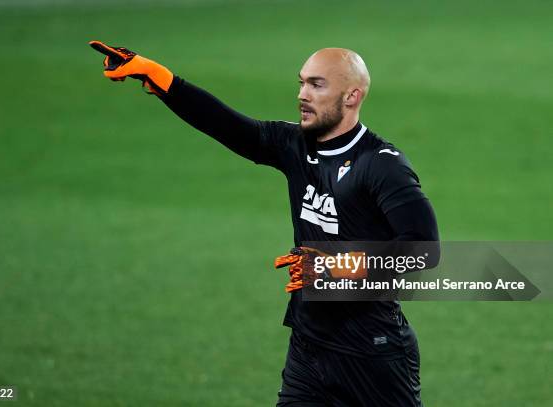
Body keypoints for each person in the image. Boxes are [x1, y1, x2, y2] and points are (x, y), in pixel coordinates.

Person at [89, 40, 439, 406]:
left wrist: (335, 267)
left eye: (317, 85)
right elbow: (228, 126)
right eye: (301, 82)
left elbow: (423, 250)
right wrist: (156, 75)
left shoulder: (382, 164)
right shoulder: (295, 144)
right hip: (309, 347)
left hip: (372, 354)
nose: (302, 94)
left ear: (351, 96)